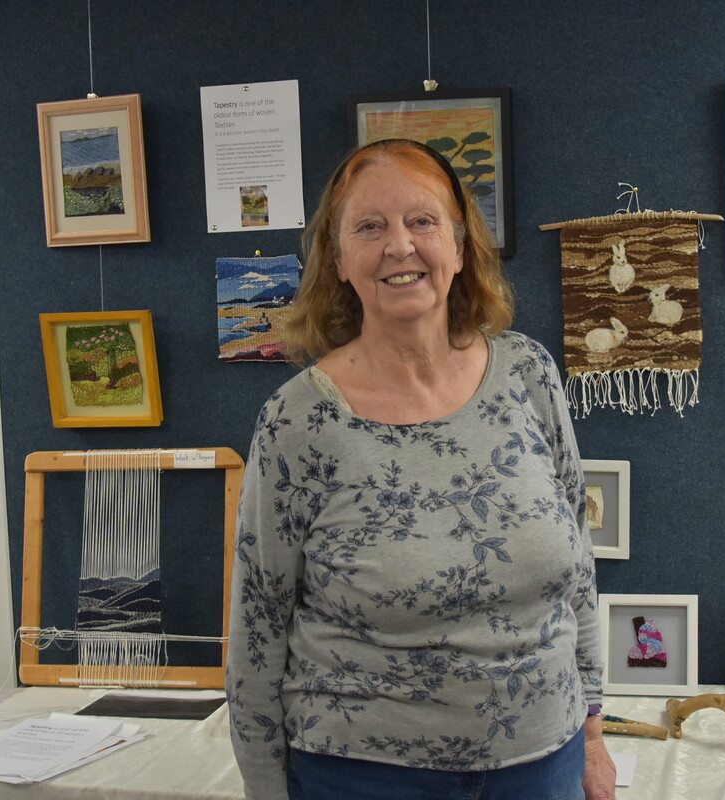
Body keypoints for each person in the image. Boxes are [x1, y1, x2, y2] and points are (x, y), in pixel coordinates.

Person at [226, 138, 616, 800]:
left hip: (544, 760)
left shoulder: (530, 375)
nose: (399, 246)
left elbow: (577, 570)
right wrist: (266, 789)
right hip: (363, 776)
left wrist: (596, 734)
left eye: (422, 221)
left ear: (461, 249)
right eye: (370, 227)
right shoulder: (298, 423)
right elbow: (258, 630)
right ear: (339, 260)